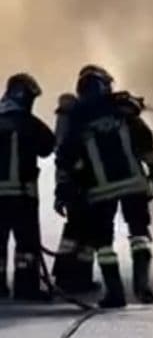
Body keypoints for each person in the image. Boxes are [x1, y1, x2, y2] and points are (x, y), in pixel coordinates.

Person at [55, 65, 153, 308]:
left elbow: (66, 157)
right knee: (139, 234)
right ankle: (142, 286)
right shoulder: (123, 110)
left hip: (99, 191)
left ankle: (115, 295)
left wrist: (64, 188)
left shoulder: (78, 119)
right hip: (134, 184)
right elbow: (145, 141)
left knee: (104, 243)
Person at [0, 73, 56, 300]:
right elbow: (47, 146)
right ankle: (26, 288)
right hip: (22, 197)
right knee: (26, 245)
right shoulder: (29, 124)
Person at [51, 92, 100, 294]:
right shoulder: (75, 124)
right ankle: (79, 279)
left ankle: (66, 276)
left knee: (75, 232)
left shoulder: (66, 122)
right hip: (82, 185)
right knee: (85, 232)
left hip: (72, 185)